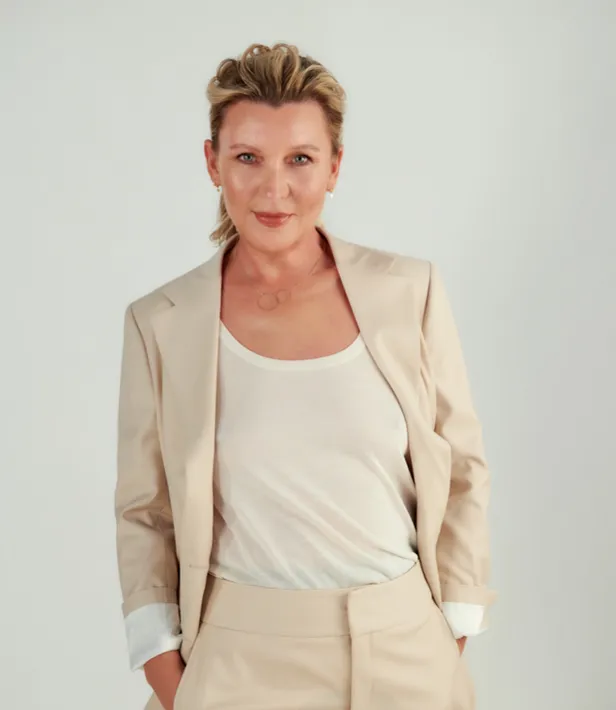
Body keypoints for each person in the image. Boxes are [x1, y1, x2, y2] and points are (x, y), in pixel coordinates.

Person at [114, 42, 496, 710]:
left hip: (403, 648)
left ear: (334, 166)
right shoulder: (161, 322)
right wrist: (164, 670)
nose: (275, 189)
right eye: (247, 158)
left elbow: (461, 465)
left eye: (300, 159)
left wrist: (452, 628)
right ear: (212, 162)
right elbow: (146, 510)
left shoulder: (410, 291)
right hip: (236, 655)